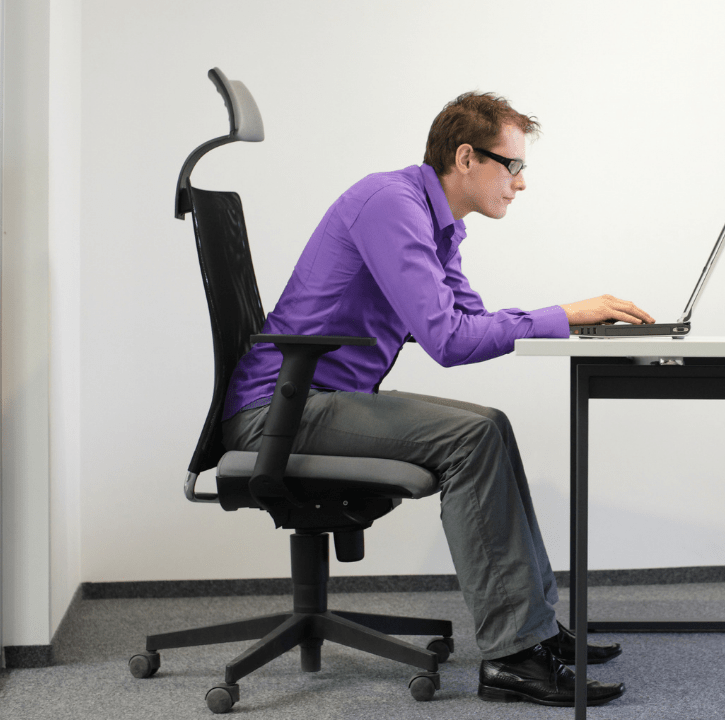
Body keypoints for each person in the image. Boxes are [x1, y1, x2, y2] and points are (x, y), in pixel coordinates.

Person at [221, 92, 655, 707]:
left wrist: (570, 319)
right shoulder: (391, 206)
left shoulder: (433, 221)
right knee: (471, 437)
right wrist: (562, 314)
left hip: (318, 399)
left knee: (490, 425)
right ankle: (511, 658)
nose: (522, 183)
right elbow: (449, 341)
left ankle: (535, 634)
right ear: (467, 157)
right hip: (279, 412)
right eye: (514, 165)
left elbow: (469, 323)